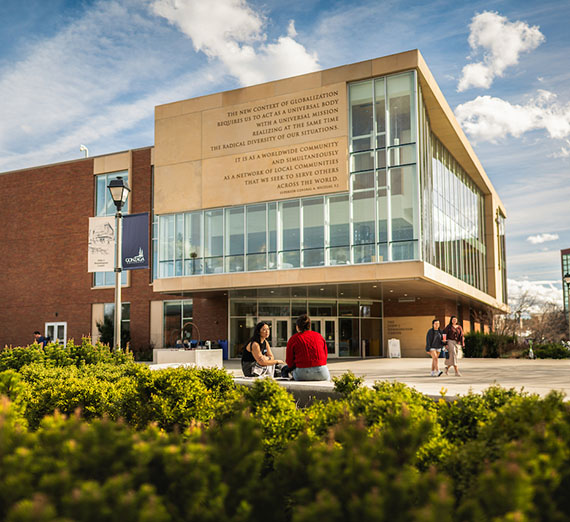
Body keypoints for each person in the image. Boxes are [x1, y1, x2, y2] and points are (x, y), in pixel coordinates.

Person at [284, 314, 330, 381]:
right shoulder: (319, 336)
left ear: (297, 327)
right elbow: (325, 355)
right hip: (321, 372)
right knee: (327, 376)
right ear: (309, 326)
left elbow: (289, 361)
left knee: (285, 369)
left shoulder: (293, 339)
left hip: (302, 373)